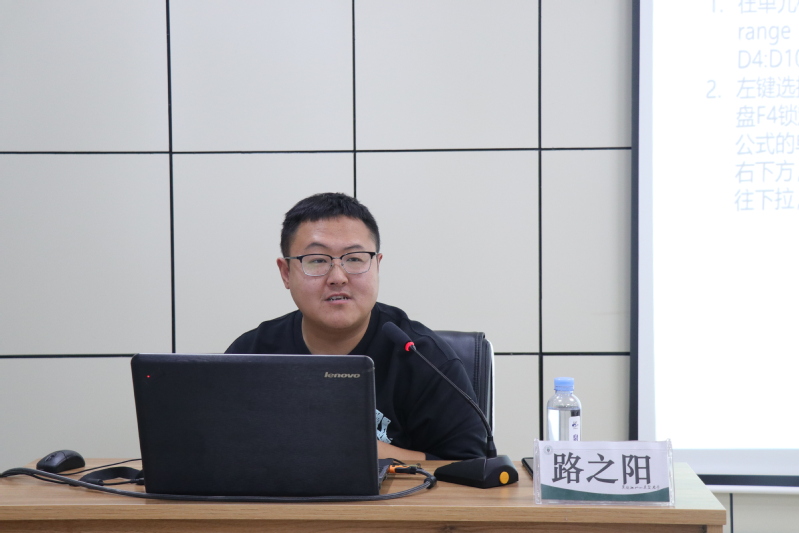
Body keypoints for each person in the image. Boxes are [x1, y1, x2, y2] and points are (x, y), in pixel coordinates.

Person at [226, 192, 487, 461]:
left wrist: (363, 451)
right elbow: (215, 452)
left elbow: (470, 467)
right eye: (317, 260)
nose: (337, 277)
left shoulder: (425, 359)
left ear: (376, 266)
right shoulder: (250, 356)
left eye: (354, 259)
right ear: (286, 273)